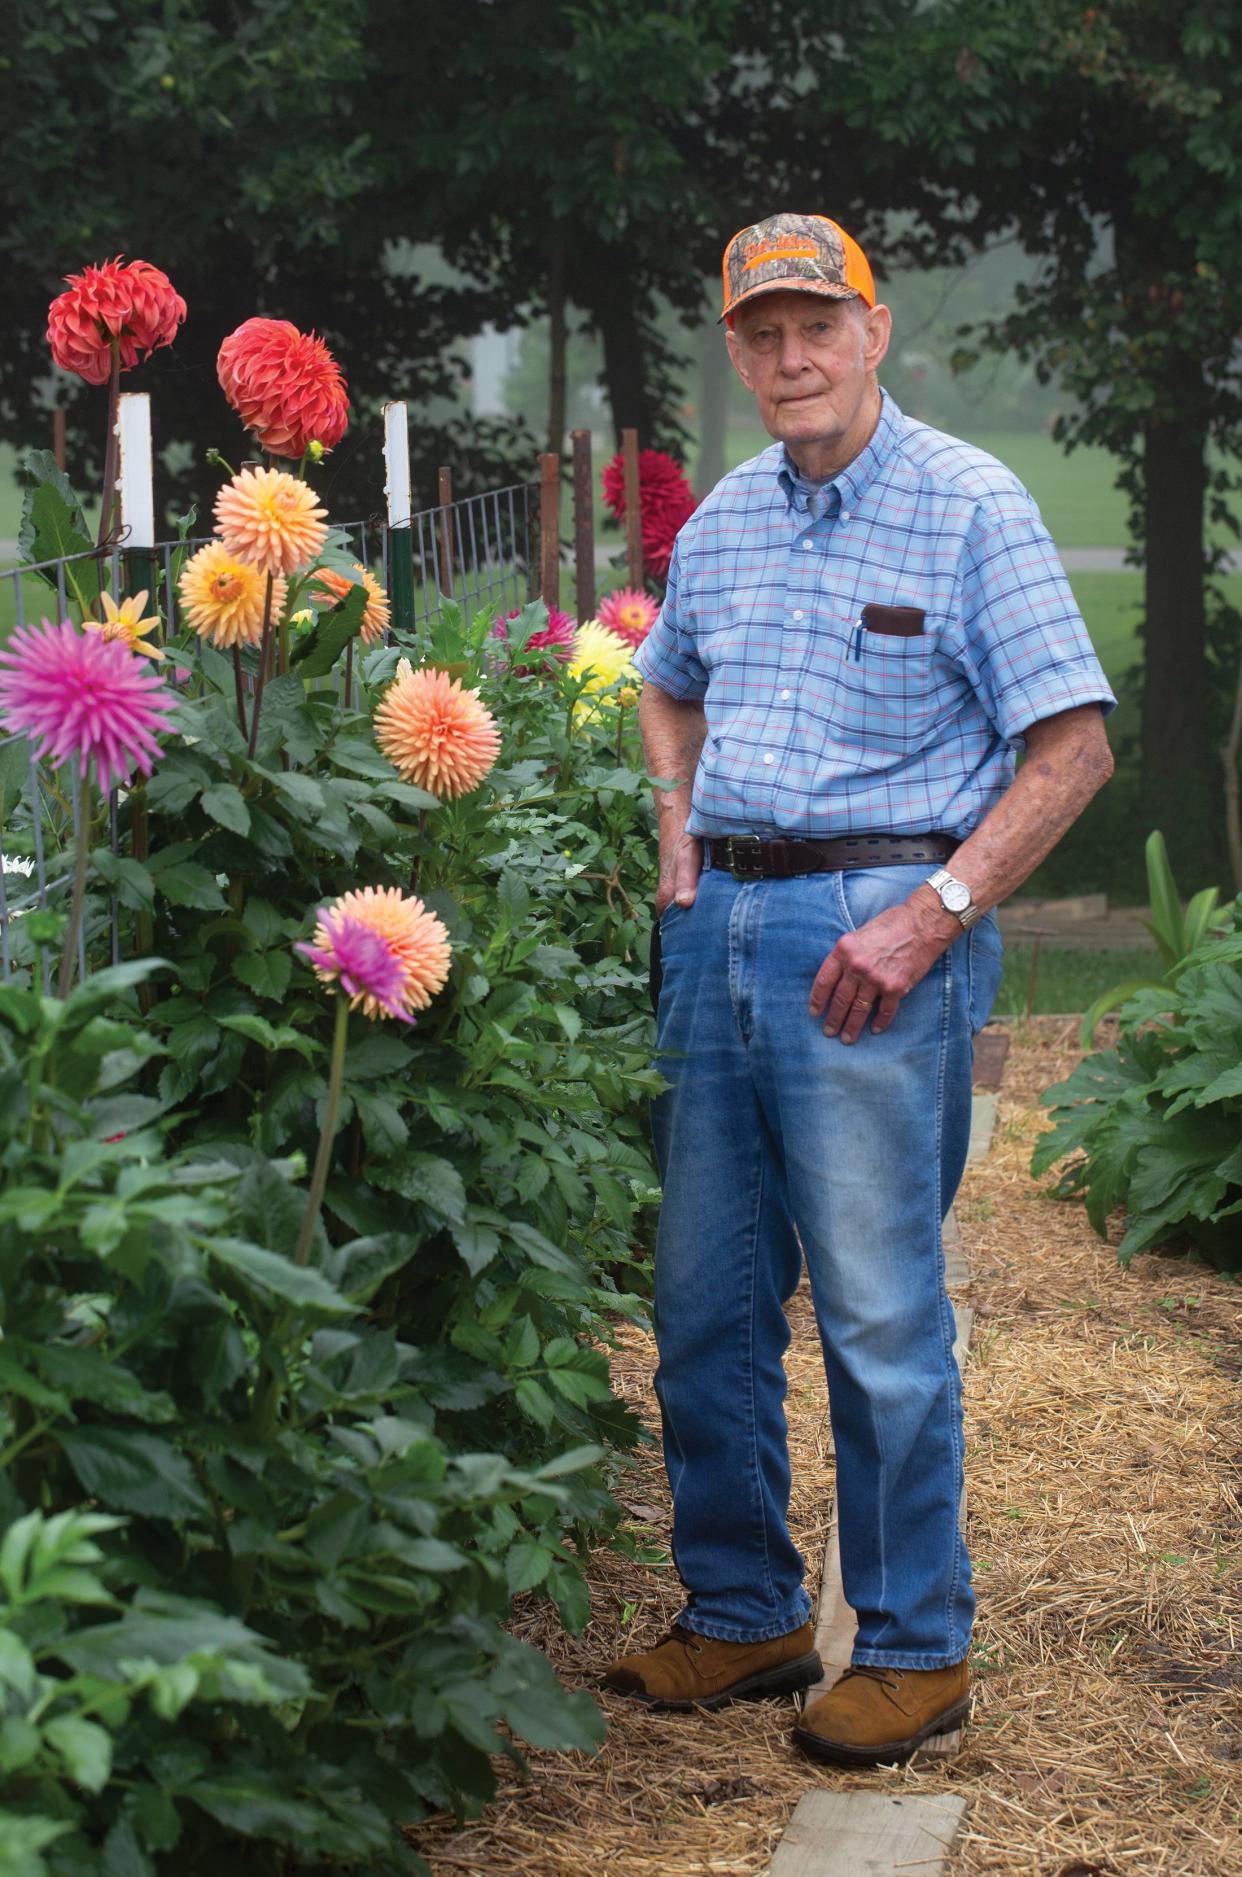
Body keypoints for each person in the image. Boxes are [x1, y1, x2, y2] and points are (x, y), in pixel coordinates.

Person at [602, 212, 1116, 1767]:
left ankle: (911, 1644)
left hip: (875, 943)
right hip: (720, 935)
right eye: (760, 332)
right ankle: (745, 1606)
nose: (789, 355)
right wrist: (676, 826)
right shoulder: (728, 524)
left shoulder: (968, 506)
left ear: (875, 331)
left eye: (817, 323)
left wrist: (931, 915)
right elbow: (663, 678)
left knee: (881, 1314)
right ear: (738, 351)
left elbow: (1072, 747)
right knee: (699, 1304)